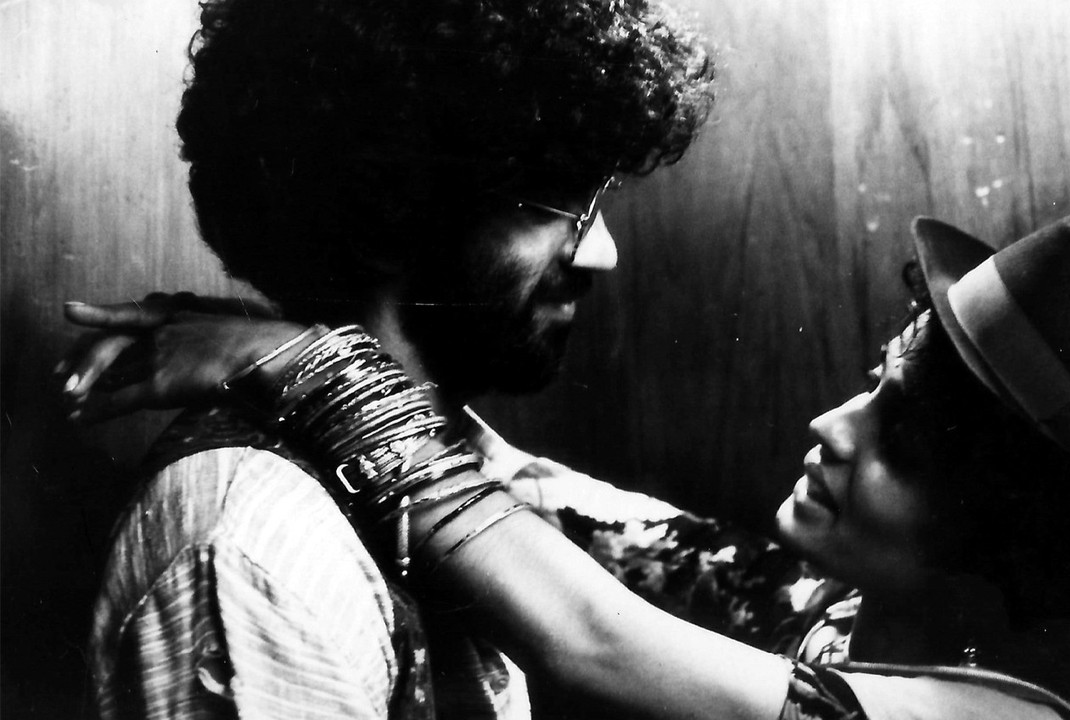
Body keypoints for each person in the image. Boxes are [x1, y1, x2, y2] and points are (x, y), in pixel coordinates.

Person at [64, 216, 1070, 719]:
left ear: (1012, 534)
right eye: (875, 382)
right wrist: (301, 348)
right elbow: (604, 528)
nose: (832, 425)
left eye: (900, 438)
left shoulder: (1001, 717)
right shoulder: (884, 621)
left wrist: (305, 364)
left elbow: (587, 632)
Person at [61, 0, 715, 717]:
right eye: (551, 199)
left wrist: (304, 361)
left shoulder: (470, 474)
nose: (602, 252)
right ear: (391, 205)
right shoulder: (260, 546)